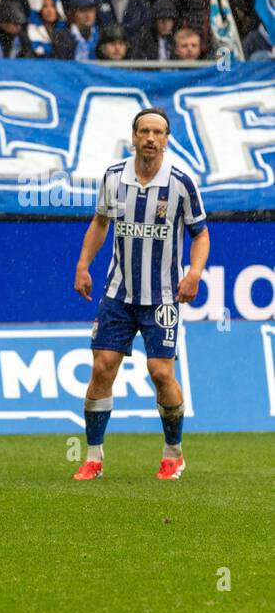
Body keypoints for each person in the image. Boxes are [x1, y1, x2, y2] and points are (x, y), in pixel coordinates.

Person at [72, 108, 208, 481]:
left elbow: (200, 234)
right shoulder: (114, 177)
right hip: (118, 294)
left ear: (166, 140)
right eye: (144, 131)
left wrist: (194, 272)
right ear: (133, 137)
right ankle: (94, 458)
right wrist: (83, 264)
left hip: (162, 297)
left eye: (158, 132)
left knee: (161, 373)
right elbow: (100, 222)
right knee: (102, 368)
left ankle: (173, 454)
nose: (150, 138)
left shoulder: (181, 183)